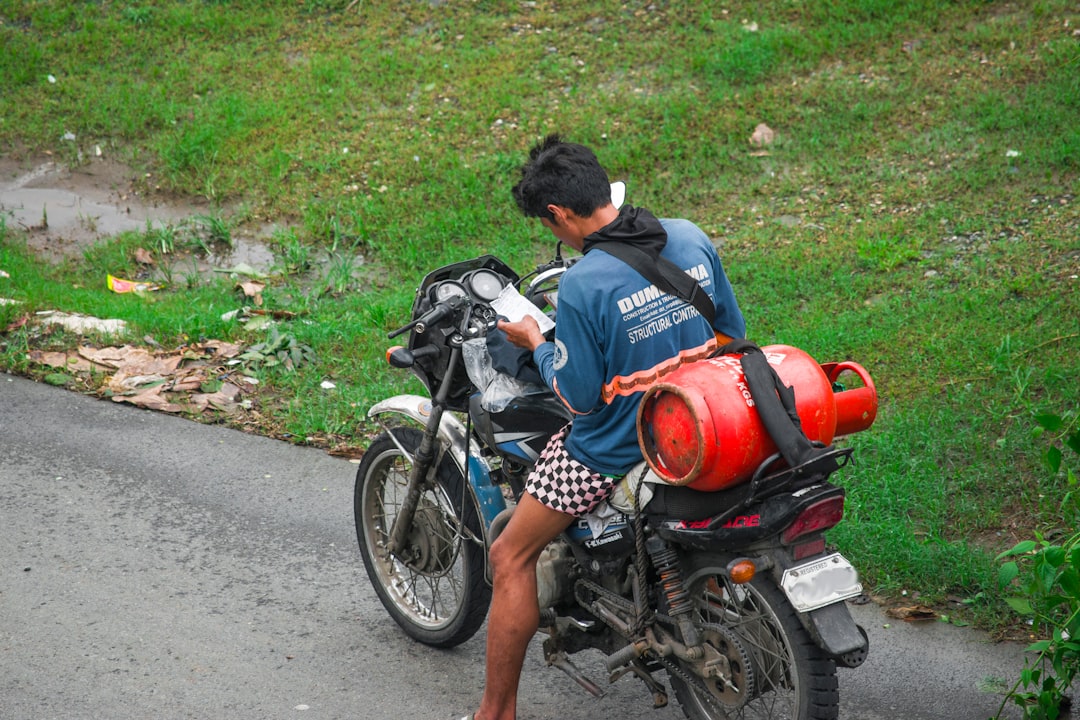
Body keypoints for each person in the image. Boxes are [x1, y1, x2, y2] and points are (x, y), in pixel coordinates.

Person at [462, 135, 745, 720]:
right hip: (712, 423)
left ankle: (495, 713)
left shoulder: (584, 284)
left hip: (621, 446)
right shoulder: (689, 235)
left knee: (510, 556)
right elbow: (734, 335)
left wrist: (539, 343)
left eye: (550, 227)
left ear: (558, 215)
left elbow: (579, 397)